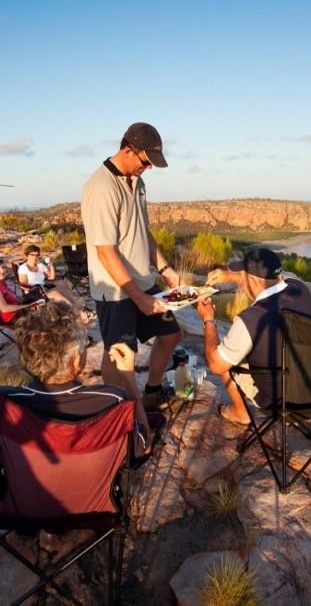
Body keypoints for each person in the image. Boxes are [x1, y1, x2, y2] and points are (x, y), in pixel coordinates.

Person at [0, 300, 155, 455]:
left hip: (24, 506)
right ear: (75, 362)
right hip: (96, 505)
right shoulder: (113, 403)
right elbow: (142, 448)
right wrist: (128, 377)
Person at [81, 122, 182, 411]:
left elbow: (144, 231)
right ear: (128, 149)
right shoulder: (101, 187)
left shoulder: (138, 183)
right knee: (121, 354)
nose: (147, 168)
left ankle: (151, 390)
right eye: (145, 161)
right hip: (115, 290)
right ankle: (118, 414)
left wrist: (165, 270)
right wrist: (139, 298)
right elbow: (105, 252)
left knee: (171, 335)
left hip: (144, 282)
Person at [196, 248, 311, 426]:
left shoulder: (252, 319)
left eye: (243, 277)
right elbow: (266, 280)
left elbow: (215, 364)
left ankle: (241, 413)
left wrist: (208, 320)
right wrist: (229, 276)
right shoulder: (299, 288)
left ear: (251, 281)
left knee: (227, 354)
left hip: (280, 399)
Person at [0, 256, 45, 323]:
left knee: (42, 300)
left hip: (18, 309)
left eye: (3, 267)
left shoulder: (0, 282)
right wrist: (27, 306)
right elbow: (4, 309)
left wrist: (31, 301)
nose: (2, 270)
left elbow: (15, 297)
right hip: (12, 316)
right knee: (46, 312)